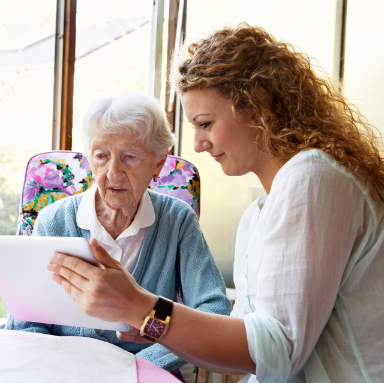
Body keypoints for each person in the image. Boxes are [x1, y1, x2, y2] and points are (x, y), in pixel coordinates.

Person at [45, 24, 384, 383]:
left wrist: (142, 307)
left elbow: (279, 350)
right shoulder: (257, 216)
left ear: (257, 103)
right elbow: (237, 350)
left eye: (205, 123)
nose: (197, 145)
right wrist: (149, 323)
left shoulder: (313, 177)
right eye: (100, 155)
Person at [6, 91, 232, 378]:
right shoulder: (54, 220)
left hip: (144, 371)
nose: (113, 172)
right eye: (101, 156)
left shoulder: (177, 220)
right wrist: (60, 366)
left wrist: (143, 363)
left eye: (130, 157)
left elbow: (213, 310)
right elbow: (27, 317)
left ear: (158, 164)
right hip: (63, 369)